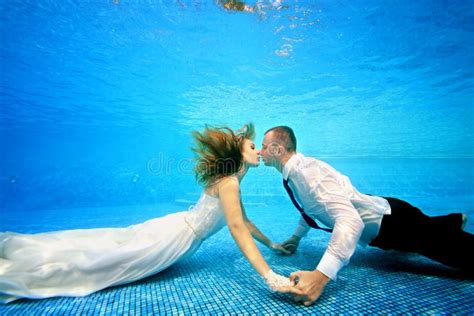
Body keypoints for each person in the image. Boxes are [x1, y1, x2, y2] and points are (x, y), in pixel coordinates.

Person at [0, 123, 292, 304]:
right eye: (253, 146)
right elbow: (237, 229)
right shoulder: (229, 183)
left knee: (110, 245)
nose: (259, 151)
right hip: (175, 239)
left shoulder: (231, 180)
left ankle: (19, 256)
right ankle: (16, 273)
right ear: (238, 154)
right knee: (107, 263)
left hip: (174, 226)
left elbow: (245, 222)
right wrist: (268, 276)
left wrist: (273, 245)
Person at [260, 125, 473, 306]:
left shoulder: (307, 175)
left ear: (277, 149)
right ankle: (454, 220)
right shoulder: (297, 173)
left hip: (394, 222)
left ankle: (452, 222)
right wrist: (297, 237)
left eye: (263, 146)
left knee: (449, 250)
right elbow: (311, 209)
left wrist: (320, 276)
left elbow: (351, 221)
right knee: (424, 230)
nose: (260, 152)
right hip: (384, 216)